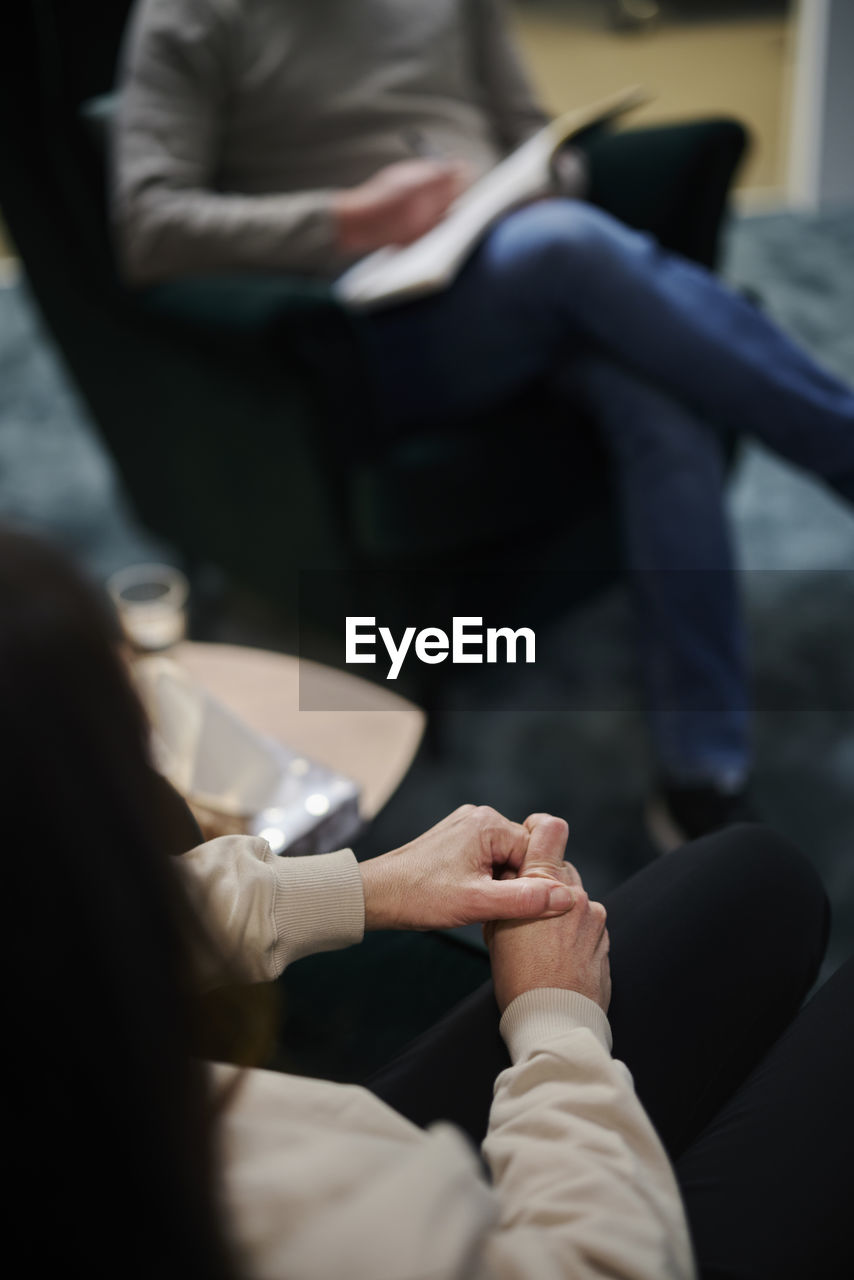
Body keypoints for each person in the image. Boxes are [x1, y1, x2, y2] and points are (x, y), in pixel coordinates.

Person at [5, 525, 853, 1279]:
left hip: (311, 1137)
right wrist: (557, 1026)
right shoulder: (268, 1211)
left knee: (756, 877)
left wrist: (366, 887)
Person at [111, 0, 854, 849]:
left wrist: (528, 187)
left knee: (658, 398)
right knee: (567, 248)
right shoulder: (190, 18)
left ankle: (701, 772)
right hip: (364, 329)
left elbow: (537, 136)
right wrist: (350, 220)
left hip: (515, 265)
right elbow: (149, 228)